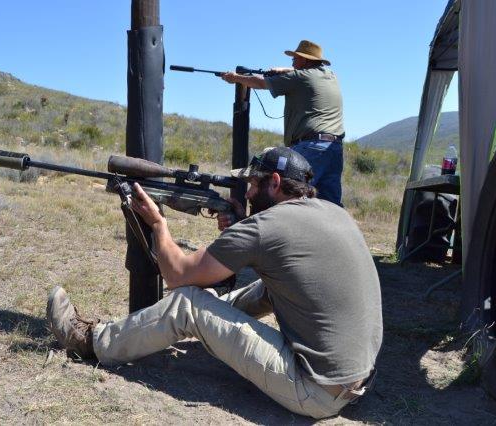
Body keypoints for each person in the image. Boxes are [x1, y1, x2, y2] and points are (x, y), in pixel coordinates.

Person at [46, 146, 382, 419]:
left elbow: (177, 275)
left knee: (188, 304)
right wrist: (242, 227)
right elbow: (283, 260)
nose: (248, 192)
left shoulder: (265, 227)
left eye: (253, 184)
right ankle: (202, 323)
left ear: (275, 182)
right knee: (269, 288)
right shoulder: (333, 212)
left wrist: (159, 224)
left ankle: (89, 342)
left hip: (316, 391)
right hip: (357, 380)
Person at [221, 40, 345, 206]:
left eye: (295, 59)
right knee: (329, 204)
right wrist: (285, 70)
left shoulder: (300, 77)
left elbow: (261, 82)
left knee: (286, 198)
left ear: (305, 60)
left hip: (310, 147)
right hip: (334, 148)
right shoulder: (330, 76)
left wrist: (235, 78)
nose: (292, 63)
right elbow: (302, 73)